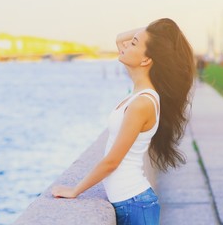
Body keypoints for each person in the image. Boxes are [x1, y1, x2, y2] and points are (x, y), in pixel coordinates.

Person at [52, 18, 195, 225]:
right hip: (131, 202)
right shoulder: (139, 94)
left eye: (134, 43)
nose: (126, 45)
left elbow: (112, 161)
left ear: (146, 60)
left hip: (134, 204)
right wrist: (151, 33)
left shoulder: (142, 103)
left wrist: (75, 190)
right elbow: (120, 38)